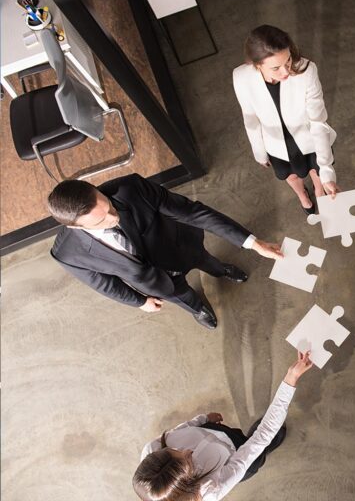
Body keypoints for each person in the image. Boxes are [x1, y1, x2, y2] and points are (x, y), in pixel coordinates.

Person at [47, 174, 283, 330]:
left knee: (207, 261)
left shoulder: (131, 188)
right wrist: (139, 301)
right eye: (101, 221)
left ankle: (221, 270)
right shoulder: (68, 254)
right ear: (74, 226)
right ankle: (198, 309)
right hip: (155, 282)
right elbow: (105, 284)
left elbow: (193, 213)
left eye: (108, 205)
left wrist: (252, 242)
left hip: (179, 246)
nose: (113, 216)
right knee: (185, 297)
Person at [133, 351, 313, 501]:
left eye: (173, 448)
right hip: (234, 456)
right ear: (189, 484)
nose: (188, 451)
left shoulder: (152, 449)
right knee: (257, 452)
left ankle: (248, 439)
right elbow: (261, 437)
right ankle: (265, 447)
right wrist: (290, 380)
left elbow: (180, 428)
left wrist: (202, 419)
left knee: (241, 436)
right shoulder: (211, 489)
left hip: (217, 432)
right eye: (188, 461)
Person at [233, 24, 339, 215]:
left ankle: (319, 190)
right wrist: (259, 152)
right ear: (257, 65)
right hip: (275, 141)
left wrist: (327, 173)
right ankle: (302, 195)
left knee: (315, 168)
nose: (286, 71)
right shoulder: (241, 78)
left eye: (288, 60)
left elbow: (317, 121)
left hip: (308, 135)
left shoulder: (307, 70)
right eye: (275, 68)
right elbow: (249, 118)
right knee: (289, 174)